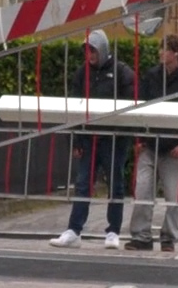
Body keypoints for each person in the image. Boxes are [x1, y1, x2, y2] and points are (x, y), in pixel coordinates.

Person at [51, 29, 136, 250]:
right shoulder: (82, 73)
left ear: (103, 50)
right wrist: (76, 140)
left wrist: (126, 137)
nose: (89, 55)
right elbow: (76, 107)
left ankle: (113, 231)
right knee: (82, 184)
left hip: (114, 139)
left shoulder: (122, 72)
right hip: (90, 138)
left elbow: (131, 107)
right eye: (87, 51)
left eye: (93, 50)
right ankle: (74, 230)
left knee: (115, 185)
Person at [128, 33, 178, 252]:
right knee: (142, 190)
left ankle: (168, 237)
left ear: (176, 53)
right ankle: (141, 236)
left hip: (174, 149)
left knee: (172, 196)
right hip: (150, 144)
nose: (160, 52)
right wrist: (139, 137)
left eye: (164, 48)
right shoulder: (152, 76)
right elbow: (140, 106)